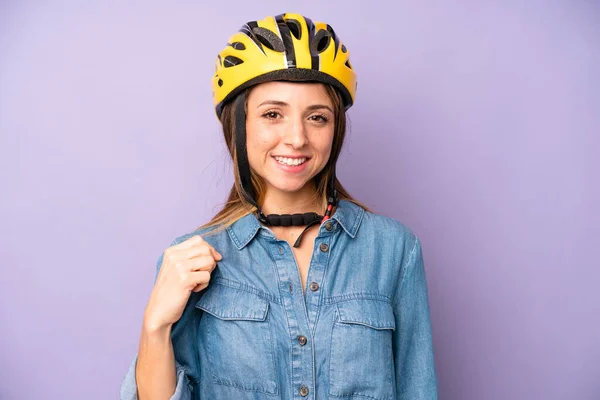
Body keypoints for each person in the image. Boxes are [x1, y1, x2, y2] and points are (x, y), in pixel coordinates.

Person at [120, 12, 438, 400]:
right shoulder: (190, 261)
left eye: (317, 118)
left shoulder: (393, 249)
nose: (297, 138)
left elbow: (418, 390)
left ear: (335, 129)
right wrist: (154, 325)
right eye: (273, 114)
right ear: (239, 126)